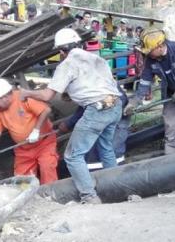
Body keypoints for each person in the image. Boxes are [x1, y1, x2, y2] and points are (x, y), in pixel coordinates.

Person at [19, 28, 122, 204]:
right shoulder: (97, 59)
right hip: (115, 105)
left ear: (61, 51)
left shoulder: (67, 64)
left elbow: (46, 96)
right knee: (106, 148)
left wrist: (26, 92)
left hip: (97, 109)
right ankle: (117, 188)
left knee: (73, 156)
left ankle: (89, 196)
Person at [0, 79, 58, 184]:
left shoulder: (23, 97)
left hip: (44, 144)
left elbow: (46, 110)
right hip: (23, 148)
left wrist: (36, 130)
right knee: (22, 179)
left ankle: (49, 196)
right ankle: (28, 197)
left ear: (4, 96)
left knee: (47, 167)